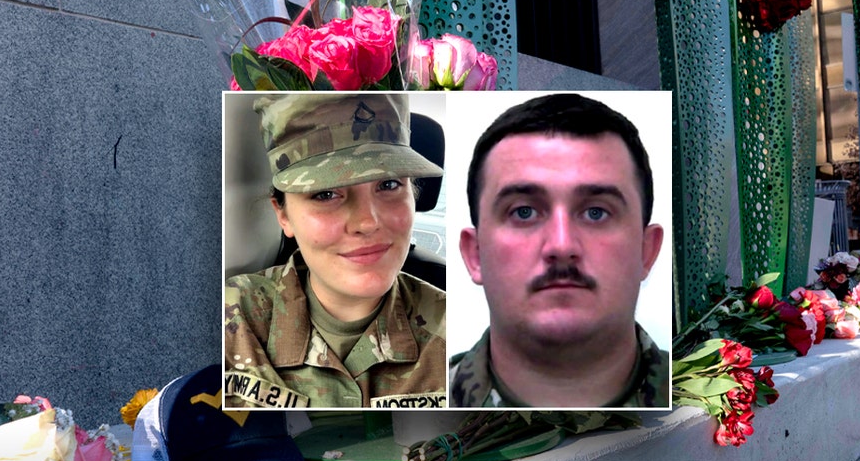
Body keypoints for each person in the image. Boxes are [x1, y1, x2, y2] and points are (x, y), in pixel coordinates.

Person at [224, 93, 447, 409]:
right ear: (283, 214)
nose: (367, 222)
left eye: (389, 185)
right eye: (326, 194)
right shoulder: (234, 317)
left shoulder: (459, 337)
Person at [450, 93, 669, 408]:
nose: (562, 246)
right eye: (523, 212)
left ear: (646, 252)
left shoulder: (700, 402)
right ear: (475, 255)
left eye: (596, 212)